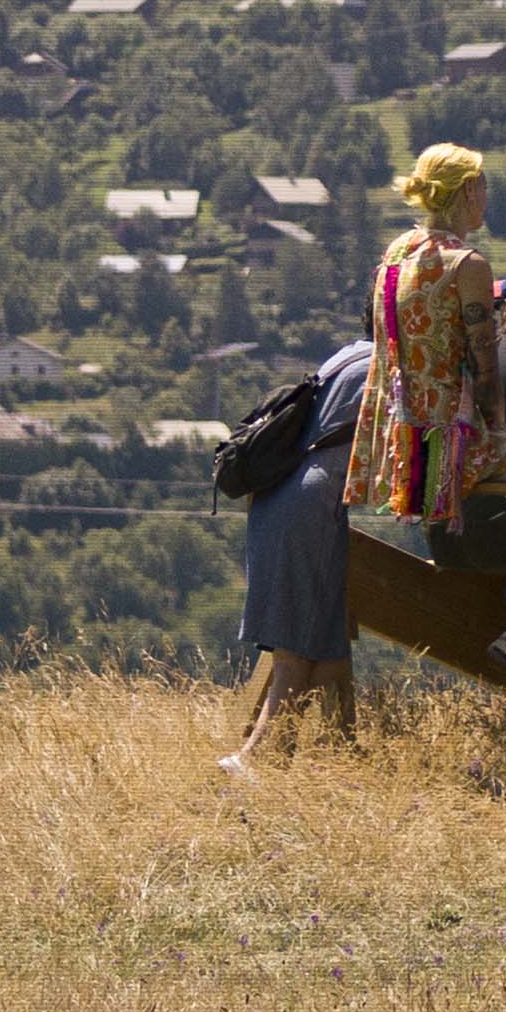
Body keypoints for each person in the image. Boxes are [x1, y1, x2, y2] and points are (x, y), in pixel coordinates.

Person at [345, 143, 506, 565]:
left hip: (404, 449)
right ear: (466, 192)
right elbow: (485, 370)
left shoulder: (398, 253)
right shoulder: (467, 264)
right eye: (481, 186)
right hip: (454, 449)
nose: (486, 196)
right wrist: (499, 430)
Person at [222, 329, 367, 769]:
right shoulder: (393, 369)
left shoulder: (349, 356)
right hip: (311, 503)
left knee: (324, 640)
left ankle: (332, 757)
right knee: (297, 650)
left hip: (273, 495)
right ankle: (255, 760)